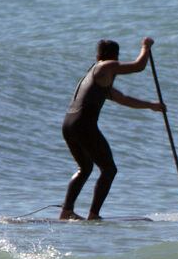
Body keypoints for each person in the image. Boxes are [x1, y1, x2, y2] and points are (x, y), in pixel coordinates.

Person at [59, 37, 165, 220]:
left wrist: (151, 105)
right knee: (109, 169)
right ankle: (93, 215)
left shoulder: (94, 76)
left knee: (85, 168)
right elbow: (139, 66)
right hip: (84, 125)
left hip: (69, 124)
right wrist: (145, 47)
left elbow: (123, 99)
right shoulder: (106, 66)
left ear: (97, 55)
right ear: (113, 57)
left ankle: (66, 211)